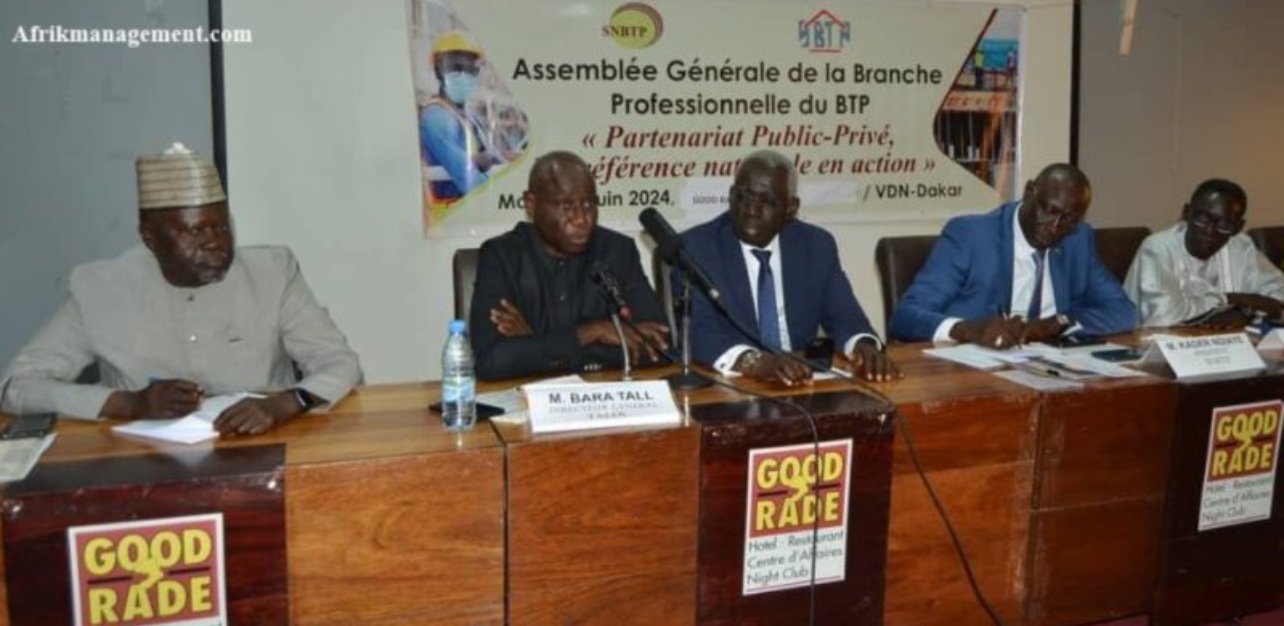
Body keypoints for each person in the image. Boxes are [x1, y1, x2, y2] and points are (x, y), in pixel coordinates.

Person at [0, 143, 362, 436]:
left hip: (263, 445)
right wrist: (126, 403)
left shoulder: (273, 273)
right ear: (149, 237)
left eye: (221, 227)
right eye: (194, 231)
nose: (214, 243)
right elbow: (15, 386)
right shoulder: (99, 289)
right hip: (140, 462)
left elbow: (339, 362)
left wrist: (286, 403)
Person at [680, 150, 897, 386]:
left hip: (802, 382)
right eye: (744, 197)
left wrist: (863, 345)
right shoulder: (697, 248)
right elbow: (698, 332)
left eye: (767, 201)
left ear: (791, 207)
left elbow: (845, 315)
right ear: (731, 196)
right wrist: (757, 362)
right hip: (736, 386)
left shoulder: (816, 245)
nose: (752, 209)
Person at [469, 151, 668, 380]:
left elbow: (659, 347)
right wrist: (592, 332)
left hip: (603, 396)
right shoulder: (502, 256)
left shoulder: (617, 251)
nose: (581, 219)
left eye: (589, 204)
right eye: (565, 206)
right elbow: (491, 362)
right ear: (531, 205)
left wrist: (536, 344)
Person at [890, 163, 1136, 348]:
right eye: (1049, 210)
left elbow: (1125, 312)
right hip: (972, 370)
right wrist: (968, 330)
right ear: (1029, 192)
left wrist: (1060, 322)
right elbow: (905, 317)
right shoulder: (970, 236)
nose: (1054, 227)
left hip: (1047, 371)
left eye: (1068, 220)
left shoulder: (1077, 240)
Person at [1124, 178, 1284, 327]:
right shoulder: (1159, 247)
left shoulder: (1241, 246)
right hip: (1148, 344)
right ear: (1187, 213)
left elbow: (1278, 296)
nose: (1209, 231)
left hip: (1222, 343)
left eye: (1224, 224)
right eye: (1202, 219)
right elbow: (1164, 317)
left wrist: (1246, 312)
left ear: (1238, 227)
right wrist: (1230, 299)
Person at [419, 30, 502, 202]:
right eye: (455, 67)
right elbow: (470, 181)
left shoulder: (469, 118)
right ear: (438, 72)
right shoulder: (436, 118)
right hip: (452, 211)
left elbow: (484, 158)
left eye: (470, 68)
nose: (464, 75)